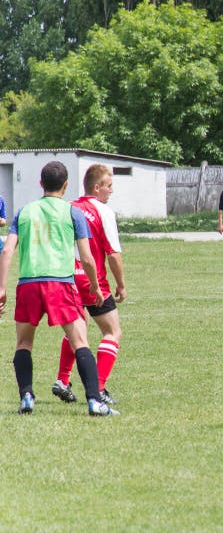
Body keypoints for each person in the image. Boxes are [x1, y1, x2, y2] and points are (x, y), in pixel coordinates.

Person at [0, 161, 118, 415]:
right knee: (80, 341)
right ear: (66, 185)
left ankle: (27, 397)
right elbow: (86, 258)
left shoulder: (24, 211)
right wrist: (96, 287)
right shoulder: (72, 212)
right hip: (60, 284)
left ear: (41, 184)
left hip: (29, 284)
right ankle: (95, 402)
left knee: (23, 343)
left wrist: (1, 288)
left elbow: (8, 249)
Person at [51, 164, 126, 406]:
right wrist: (121, 285)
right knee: (112, 331)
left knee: (78, 328)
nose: (111, 191)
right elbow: (113, 254)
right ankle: (100, 387)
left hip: (66, 277)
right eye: (109, 186)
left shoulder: (69, 208)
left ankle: (63, 380)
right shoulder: (103, 211)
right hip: (91, 279)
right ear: (97, 187)